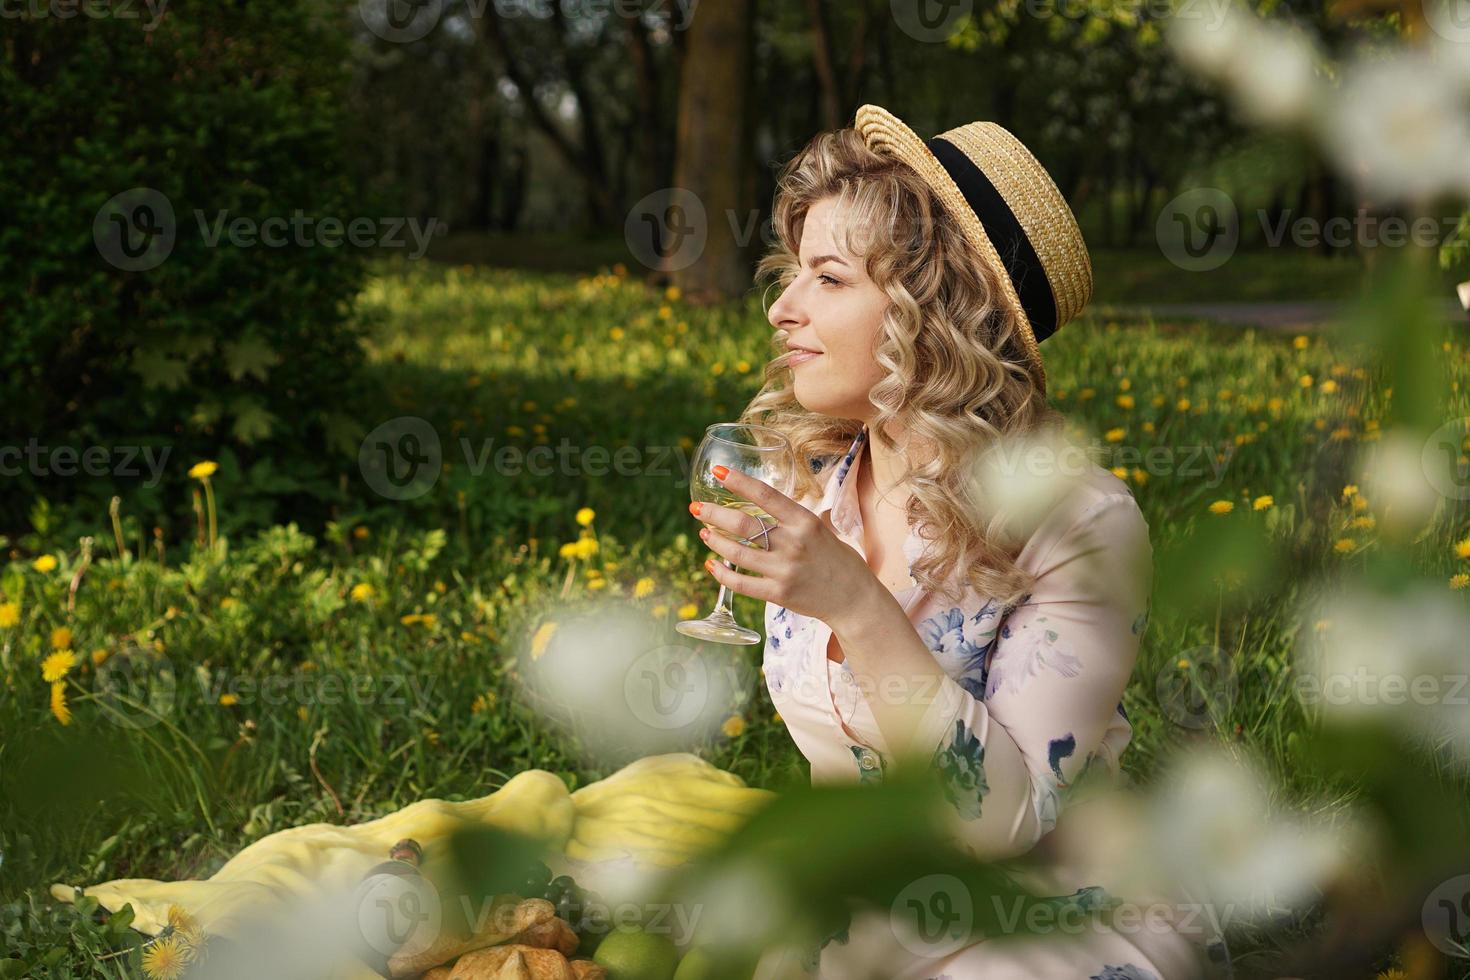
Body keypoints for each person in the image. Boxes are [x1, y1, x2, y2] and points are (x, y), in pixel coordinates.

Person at [687, 105, 1225, 979]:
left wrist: (856, 604)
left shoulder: (1079, 522)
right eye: (791, 274)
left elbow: (1008, 825)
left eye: (827, 278)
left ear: (932, 313)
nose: (781, 308)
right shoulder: (806, 486)